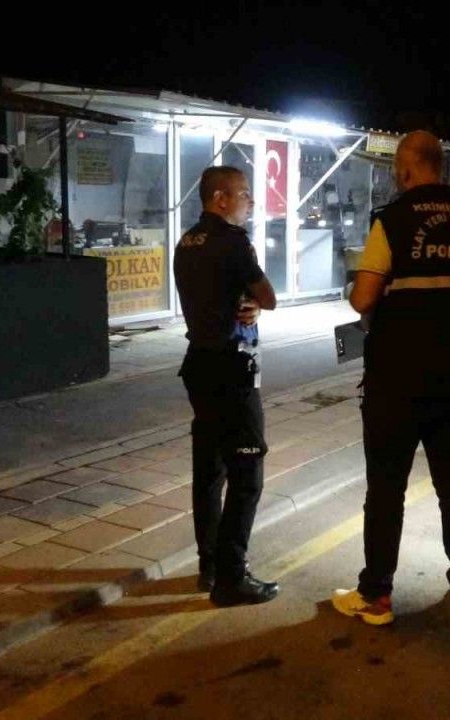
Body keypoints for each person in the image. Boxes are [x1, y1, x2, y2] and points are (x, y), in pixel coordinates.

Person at [331, 131, 450, 625]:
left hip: (397, 385)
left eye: (396, 169)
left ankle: (377, 597)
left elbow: (364, 299)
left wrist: (356, 284)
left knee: (386, 491)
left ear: (406, 170)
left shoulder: (392, 222)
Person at [173, 166, 280, 606]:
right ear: (220, 198)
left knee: (209, 471)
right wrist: (257, 301)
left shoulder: (186, 242)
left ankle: (210, 566)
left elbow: (216, 295)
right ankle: (233, 577)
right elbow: (269, 296)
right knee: (247, 473)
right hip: (232, 370)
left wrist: (245, 301)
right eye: (244, 194)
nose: (250, 202)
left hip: (199, 366)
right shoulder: (233, 241)